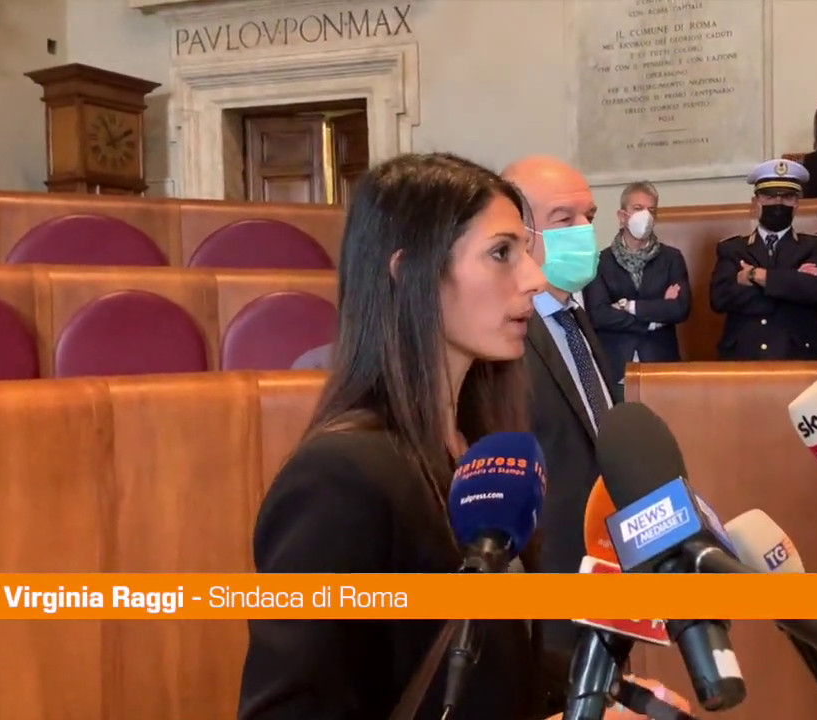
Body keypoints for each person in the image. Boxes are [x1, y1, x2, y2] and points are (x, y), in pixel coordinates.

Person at [238, 153, 682, 720]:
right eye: (501, 253)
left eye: (525, 250)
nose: (533, 277)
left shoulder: (482, 448)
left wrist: (603, 696)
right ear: (410, 272)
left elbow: (490, 660)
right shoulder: (337, 478)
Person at [499, 155, 615, 654]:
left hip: (601, 571)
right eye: (564, 220)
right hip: (546, 592)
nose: (584, 231)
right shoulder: (503, 339)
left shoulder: (574, 316)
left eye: (589, 216)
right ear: (519, 235)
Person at [710, 158, 817, 360]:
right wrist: (791, 285)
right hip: (742, 354)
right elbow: (719, 299)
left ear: (796, 204)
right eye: (769, 196)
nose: (778, 203)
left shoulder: (815, 246)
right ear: (756, 202)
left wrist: (755, 275)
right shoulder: (732, 249)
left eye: (787, 197)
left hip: (797, 353)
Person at [584, 180, 691, 383]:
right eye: (638, 208)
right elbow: (599, 315)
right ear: (622, 216)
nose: (646, 216)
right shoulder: (600, 262)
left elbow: (679, 309)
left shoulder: (671, 258)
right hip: (616, 364)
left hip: (661, 362)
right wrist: (653, 319)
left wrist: (628, 306)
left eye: (651, 210)